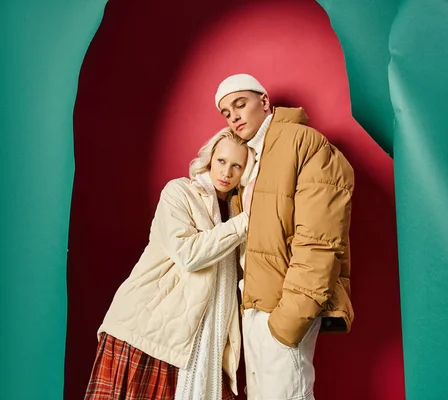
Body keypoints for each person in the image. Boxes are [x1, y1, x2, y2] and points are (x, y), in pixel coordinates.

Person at [84, 128, 255, 400]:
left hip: (203, 339)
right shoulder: (179, 192)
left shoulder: (236, 211)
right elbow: (188, 254)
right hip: (151, 328)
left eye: (237, 165)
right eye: (222, 161)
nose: (227, 172)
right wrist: (245, 223)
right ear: (210, 158)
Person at [215, 74, 354, 400]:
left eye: (240, 104)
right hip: (253, 309)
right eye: (225, 112)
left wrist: (288, 320)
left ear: (264, 102)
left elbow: (320, 240)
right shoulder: (247, 163)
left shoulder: (304, 142)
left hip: (283, 309)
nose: (233, 116)